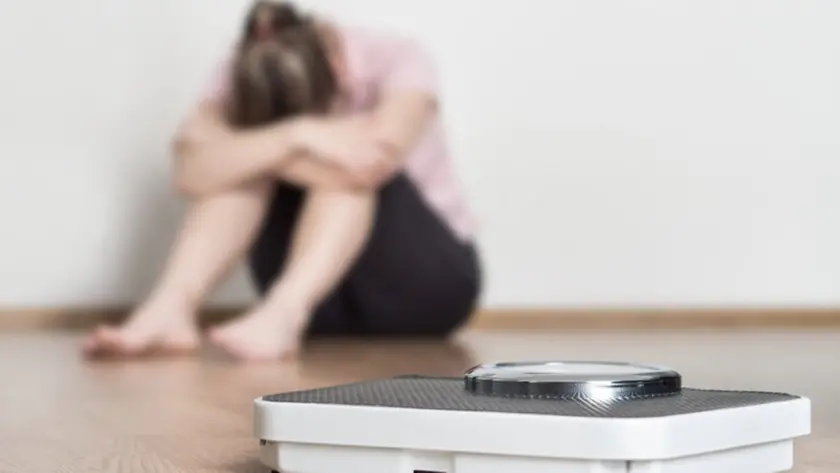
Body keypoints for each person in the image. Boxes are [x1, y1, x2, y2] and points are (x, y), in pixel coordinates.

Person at [82, 0, 481, 361]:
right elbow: (188, 172)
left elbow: (369, 161)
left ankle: (284, 313)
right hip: (324, 306)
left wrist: (262, 149)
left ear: (336, 68)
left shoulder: (397, 56)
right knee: (237, 167)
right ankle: (170, 307)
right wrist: (297, 135)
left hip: (423, 287)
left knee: (338, 170)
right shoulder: (245, 65)